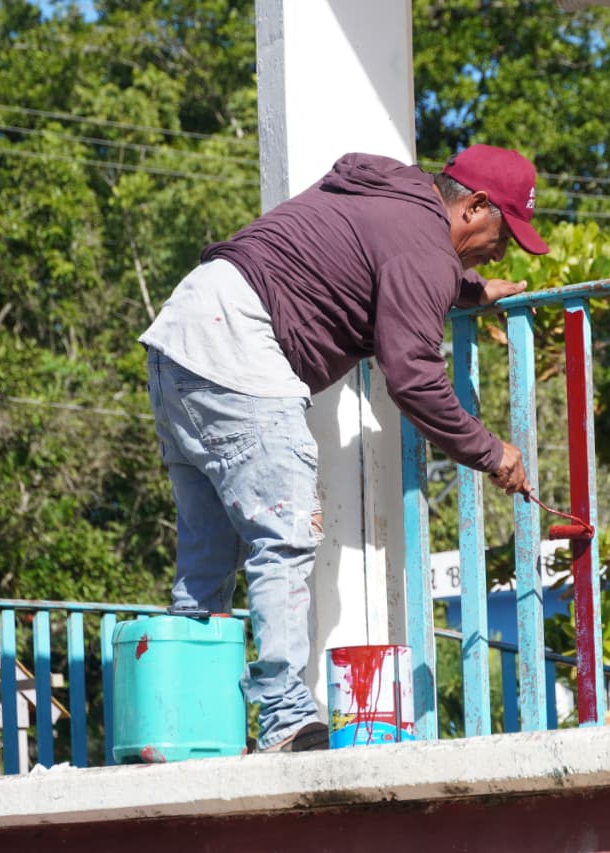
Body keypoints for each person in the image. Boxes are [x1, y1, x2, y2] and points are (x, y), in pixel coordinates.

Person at [139, 144, 547, 753]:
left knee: (208, 558)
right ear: (474, 207)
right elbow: (413, 377)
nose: (501, 250)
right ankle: (284, 716)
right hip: (240, 348)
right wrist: (489, 451)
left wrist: (464, 289)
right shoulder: (422, 245)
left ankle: (193, 727)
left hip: (181, 337)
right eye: (504, 232)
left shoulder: (394, 200)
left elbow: (393, 265)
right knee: (284, 535)